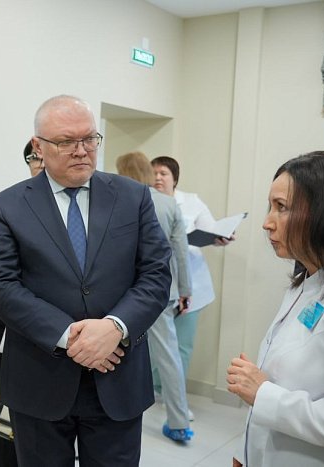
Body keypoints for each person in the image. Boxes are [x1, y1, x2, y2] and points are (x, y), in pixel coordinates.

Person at [0, 95, 172, 466]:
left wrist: (115, 328)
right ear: (38, 146)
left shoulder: (132, 197)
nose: (82, 150)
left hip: (117, 375)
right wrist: (71, 337)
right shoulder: (8, 205)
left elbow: (156, 274)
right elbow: (3, 287)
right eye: (66, 142)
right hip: (40, 378)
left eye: (89, 139)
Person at [226, 151, 324, 467]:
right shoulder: (306, 283)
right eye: (270, 207)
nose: (267, 223)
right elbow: (279, 381)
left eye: (281, 207)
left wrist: (263, 394)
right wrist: (245, 451)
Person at [116, 151, 194, 442]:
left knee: (118, 352)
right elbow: (181, 252)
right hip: (161, 291)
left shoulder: (119, 201)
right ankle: (179, 422)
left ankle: (117, 411)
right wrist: (185, 290)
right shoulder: (168, 204)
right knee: (169, 356)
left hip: (123, 293)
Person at [151, 155, 234, 420]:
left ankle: (175, 399)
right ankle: (155, 391)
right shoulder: (146, 200)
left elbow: (212, 230)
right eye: (154, 173)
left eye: (163, 173)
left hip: (190, 286)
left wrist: (220, 237)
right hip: (158, 285)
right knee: (155, 346)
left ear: (175, 178)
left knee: (182, 346)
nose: (158, 177)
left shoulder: (192, 202)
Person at [0, 139, 41, 467]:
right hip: (12, 327)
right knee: (9, 417)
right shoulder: (10, 205)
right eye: (34, 158)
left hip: (68, 334)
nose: (41, 164)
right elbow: (0, 279)